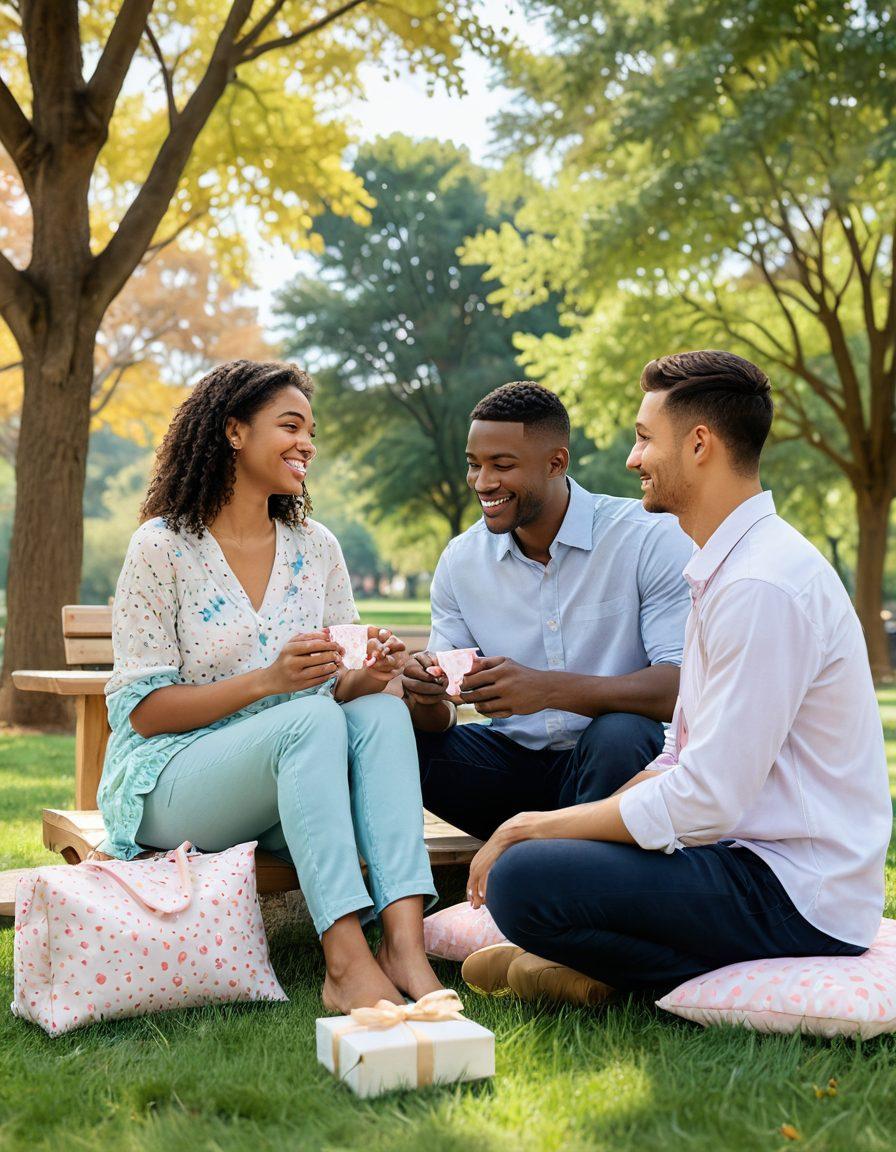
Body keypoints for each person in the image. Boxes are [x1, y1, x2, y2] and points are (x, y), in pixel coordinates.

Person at [461, 350, 892, 1007]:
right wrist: (573, 824)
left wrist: (535, 827)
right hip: (739, 855)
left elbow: (704, 800)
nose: (633, 459)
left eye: (643, 439)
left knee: (525, 877)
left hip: (795, 889)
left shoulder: (760, 584)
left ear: (698, 445)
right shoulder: (722, 567)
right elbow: (676, 754)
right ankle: (575, 967)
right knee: (541, 873)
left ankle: (599, 968)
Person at [95, 359, 441, 1013]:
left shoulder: (317, 548)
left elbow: (329, 694)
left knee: (380, 714)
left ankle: (404, 946)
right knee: (306, 722)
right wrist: (268, 682)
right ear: (232, 431)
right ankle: (344, 963)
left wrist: (365, 678)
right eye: (290, 425)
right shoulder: (161, 547)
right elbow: (141, 713)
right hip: (172, 782)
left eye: (311, 429)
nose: (307, 442)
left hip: (294, 779)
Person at [401, 381, 693, 842]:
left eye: (502, 465)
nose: (483, 482)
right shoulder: (461, 560)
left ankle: (560, 866)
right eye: (474, 465)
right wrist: (424, 694)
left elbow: (682, 688)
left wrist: (549, 690)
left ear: (556, 462)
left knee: (622, 733)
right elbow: (441, 720)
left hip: (618, 771)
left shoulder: (647, 538)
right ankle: (546, 855)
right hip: (508, 770)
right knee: (399, 740)